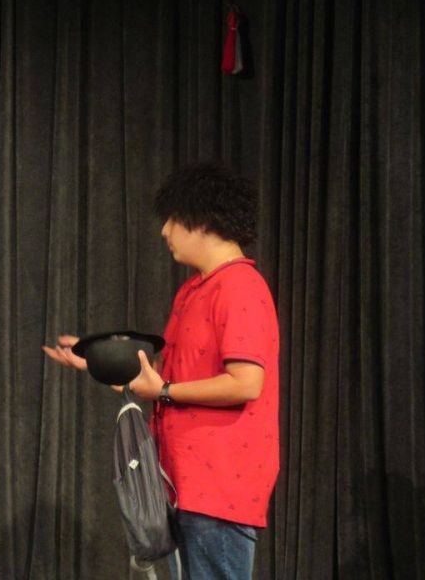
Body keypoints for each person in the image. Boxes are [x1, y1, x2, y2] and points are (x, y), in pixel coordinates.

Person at [43, 163, 279, 579]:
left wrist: (165, 390)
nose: (165, 231)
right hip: (180, 482)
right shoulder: (193, 290)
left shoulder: (240, 286)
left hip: (219, 488)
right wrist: (98, 361)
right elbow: (163, 375)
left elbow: (246, 383)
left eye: (172, 219)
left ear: (201, 221)